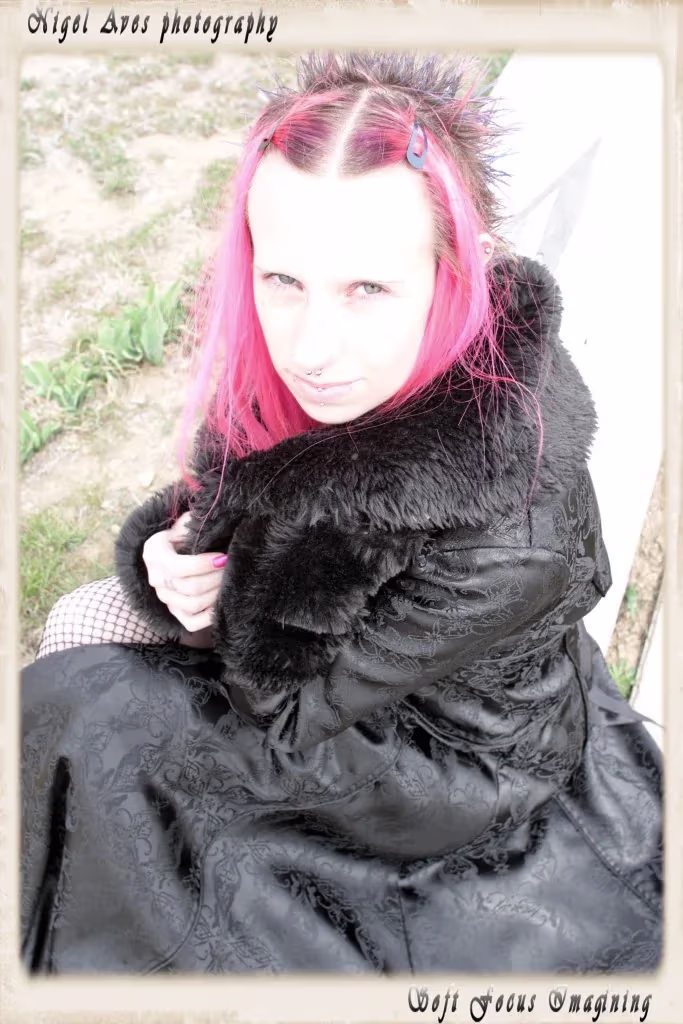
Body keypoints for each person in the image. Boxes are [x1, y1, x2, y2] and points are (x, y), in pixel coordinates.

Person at [21, 50, 662, 975]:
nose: (310, 348)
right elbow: (240, 491)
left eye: (367, 288)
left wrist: (216, 601)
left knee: (81, 704)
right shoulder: (355, 367)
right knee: (83, 642)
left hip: (434, 765)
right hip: (337, 675)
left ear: (457, 272)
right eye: (282, 280)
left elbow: (283, 709)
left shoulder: (499, 530)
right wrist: (169, 552)